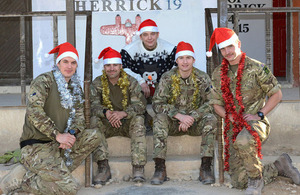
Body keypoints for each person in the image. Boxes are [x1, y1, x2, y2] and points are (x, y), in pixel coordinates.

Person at [0, 42, 101, 195]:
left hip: (60, 144)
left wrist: (71, 135)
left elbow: (79, 118)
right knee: (70, 189)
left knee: (94, 136)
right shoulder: (44, 81)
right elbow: (34, 112)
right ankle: (23, 181)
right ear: (58, 63)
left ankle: (40, 173)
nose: (69, 66)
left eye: (73, 62)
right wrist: (57, 135)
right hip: (37, 146)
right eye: (65, 62)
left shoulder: (76, 87)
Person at [208, 27, 300, 195]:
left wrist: (260, 113)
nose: (228, 52)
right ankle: (280, 166)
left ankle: (256, 181)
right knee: (238, 180)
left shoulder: (257, 68)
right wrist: (229, 117)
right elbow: (216, 104)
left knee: (244, 139)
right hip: (233, 126)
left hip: (256, 122)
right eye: (223, 49)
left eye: (230, 46)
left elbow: (277, 94)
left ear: (238, 44)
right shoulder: (217, 74)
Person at [150, 41, 217, 185]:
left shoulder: (202, 77)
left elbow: (211, 102)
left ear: (194, 60)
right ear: (176, 60)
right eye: (181, 58)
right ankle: (160, 167)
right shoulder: (167, 77)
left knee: (211, 119)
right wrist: (179, 116)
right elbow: (157, 103)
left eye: (188, 58)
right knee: (159, 119)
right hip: (174, 123)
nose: (185, 62)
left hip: (195, 123)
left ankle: (206, 167)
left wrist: (192, 117)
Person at [90, 47, 147, 185]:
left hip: (127, 123)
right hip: (107, 123)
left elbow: (140, 105)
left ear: (121, 66)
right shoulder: (97, 83)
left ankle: (138, 167)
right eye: (108, 65)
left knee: (139, 120)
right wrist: (106, 113)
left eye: (115, 65)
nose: (112, 69)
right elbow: (92, 105)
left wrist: (124, 113)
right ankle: (103, 167)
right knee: (93, 121)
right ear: (104, 67)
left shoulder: (131, 81)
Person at [120, 19, 177, 132]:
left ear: (157, 35)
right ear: (140, 37)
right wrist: (140, 80)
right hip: (140, 85)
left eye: (152, 34)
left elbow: (177, 67)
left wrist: (164, 82)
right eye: (145, 35)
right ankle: (142, 118)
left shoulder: (169, 49)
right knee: (128, 83)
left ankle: (168, 120)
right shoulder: (129, 50)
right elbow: (123, 68)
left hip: (161, 84)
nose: (149, 38)